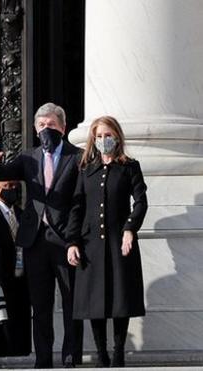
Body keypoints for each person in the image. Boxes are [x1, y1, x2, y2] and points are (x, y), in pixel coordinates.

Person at [0, 102, 83, 368]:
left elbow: (79, 201)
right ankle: (44, 360)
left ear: (63, 127)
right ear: (36, 129)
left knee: (72, 303)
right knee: (40, 306)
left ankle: (71, 358)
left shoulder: (78, 157)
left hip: (65, 241)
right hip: (35, 241)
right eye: (41, 126)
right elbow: (4, 172)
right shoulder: (29, 157)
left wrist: (74, 239)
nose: (46, 130)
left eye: (51, 125)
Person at [65, 115, 147, 367]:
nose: (103, 140)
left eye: (108, 135)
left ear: (117, 136)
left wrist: (130, 229)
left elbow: (141, 201)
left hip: (119, 242)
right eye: (99, 136)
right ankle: (102, 354)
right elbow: (77, 207)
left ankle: (119, 351)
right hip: (90, 245)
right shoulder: (86, 170)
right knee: (95, 301)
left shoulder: (130, 166)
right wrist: (72, 242)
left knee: (120, 298)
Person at [0, 180, 32, 356]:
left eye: (15, 186)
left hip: (20, 281)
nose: (12, 190)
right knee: (0, 335)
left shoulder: (21, 214)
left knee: (20, 336)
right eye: (8, 186)